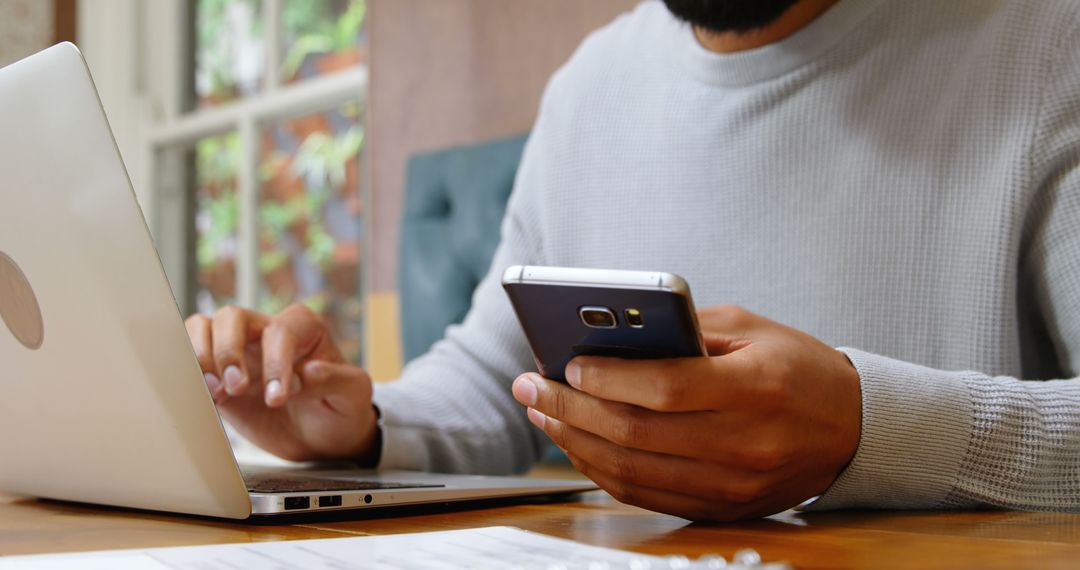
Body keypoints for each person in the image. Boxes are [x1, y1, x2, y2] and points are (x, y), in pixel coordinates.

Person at [184, 0, 1080, 521]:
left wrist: (869, 429)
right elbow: (492, 383)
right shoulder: (593, 84)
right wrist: (352, 425)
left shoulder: (1047, 46)